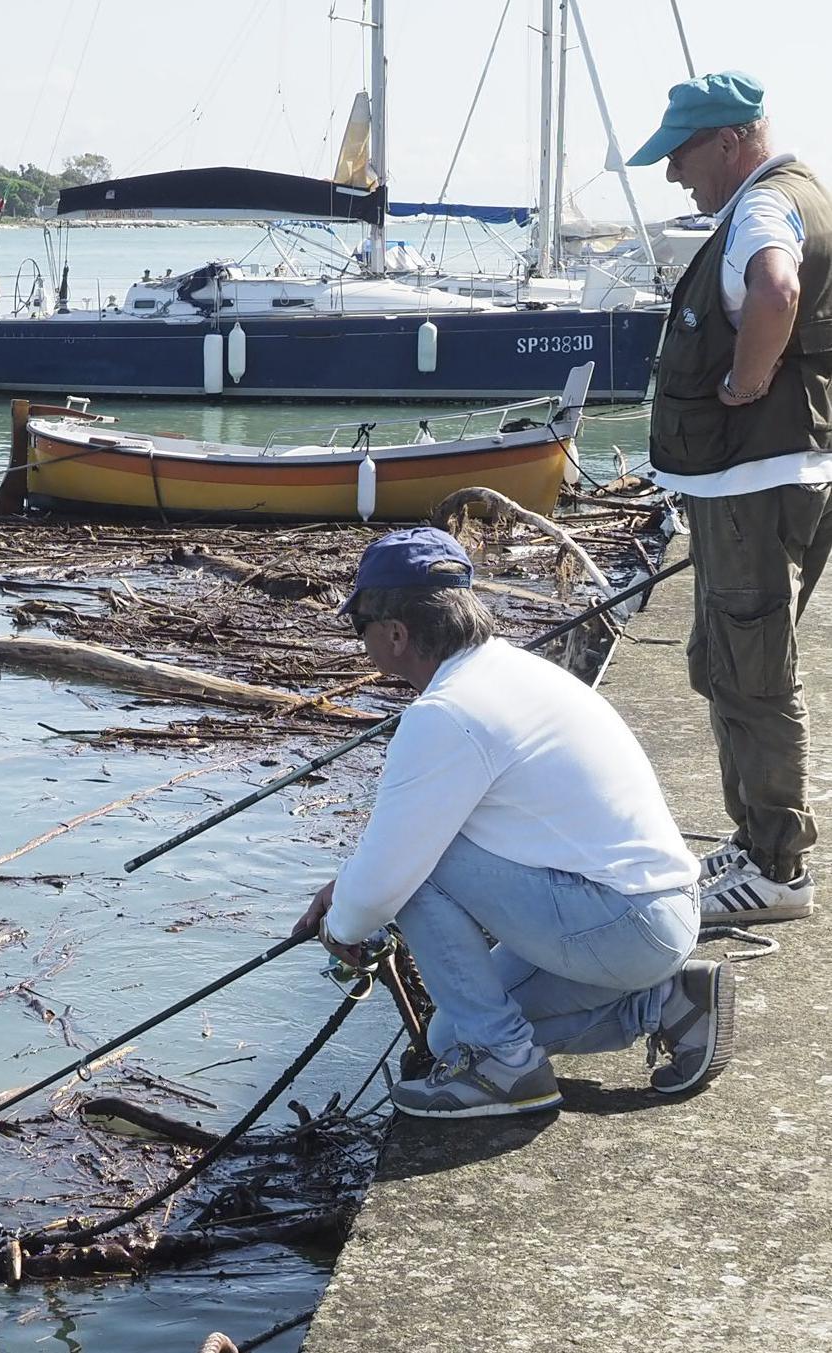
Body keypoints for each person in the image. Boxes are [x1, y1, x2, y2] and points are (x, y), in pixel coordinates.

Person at [292, 528, 724, 1119]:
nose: (360, 639)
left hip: (621, 925)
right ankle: (668, 1003)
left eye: (357, 626)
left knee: (424, 866)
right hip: (656, 918)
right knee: (449, 1038)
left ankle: (504, 1064)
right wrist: (355, 892)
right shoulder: (516, 673)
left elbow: (391, 877)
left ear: (395, 633)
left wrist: (344, 923)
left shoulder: (446, 713)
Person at [628, 71, 832, 925]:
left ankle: (779, 866)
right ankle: (753, 843)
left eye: (681, 155)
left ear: (727, 140)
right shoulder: (800, 192)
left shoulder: (759, 207)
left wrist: (748, 383)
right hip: (755, 476)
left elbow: (777, 291)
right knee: (725, 661)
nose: (676, 175)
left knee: (753, 671)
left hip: (754, 477)